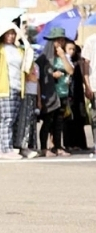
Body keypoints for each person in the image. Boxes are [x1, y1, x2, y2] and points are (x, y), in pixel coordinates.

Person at [0, 24, 26, 160]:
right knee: (6, 119)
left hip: (17, 86)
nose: (11, 36)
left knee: (13, 119)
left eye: (13, 33)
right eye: (8, 33)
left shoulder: (18, 49)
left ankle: (9, 146)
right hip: (5, 87)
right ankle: (4, 148)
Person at [36, 27, 74, 157]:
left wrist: (63, 56)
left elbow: (70, 71)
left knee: (59, 123)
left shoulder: (64, 56)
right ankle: (43, 147)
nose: (60, 43)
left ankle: (57, 146)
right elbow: (39, 76)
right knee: (47, 122)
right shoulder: (44, 58)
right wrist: (52, 75)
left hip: (62, 94)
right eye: (58, 40)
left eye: (62, 40)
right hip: (50, 95)